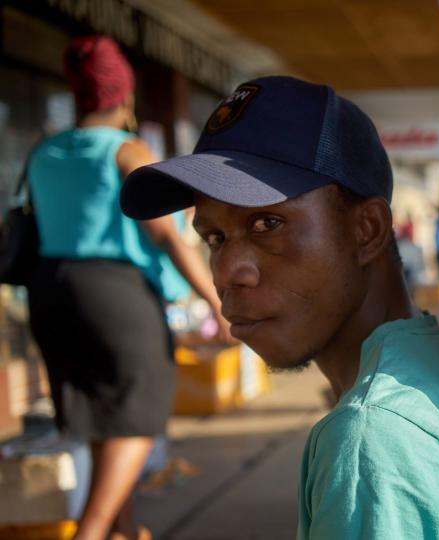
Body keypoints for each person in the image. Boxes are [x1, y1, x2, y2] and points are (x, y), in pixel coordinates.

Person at [118, 76, 439, 539]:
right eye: (214, 238)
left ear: (366, 229)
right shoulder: (437, 358)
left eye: (268, 223)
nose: (228, 270)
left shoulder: (372, 440)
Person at [26, 36, 229, 540]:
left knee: (100, 423)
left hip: (50, 292)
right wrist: (216, 301)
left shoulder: (45, 149)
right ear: (125, 96)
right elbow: (165, 236)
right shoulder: (127, 148)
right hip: (114, 294)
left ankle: (123, 530)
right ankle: (92, 534)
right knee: (138, 419)